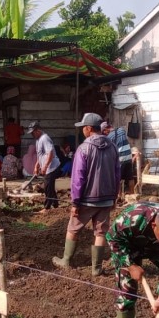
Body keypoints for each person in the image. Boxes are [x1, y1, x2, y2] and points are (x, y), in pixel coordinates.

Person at [52, 113, 120, 276]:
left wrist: (75, 202)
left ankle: (66, 260)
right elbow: (117, 174)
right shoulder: (112, 147)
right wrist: (114, 197)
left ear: (89, 129)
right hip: (105, 199)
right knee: (101, 232)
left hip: (86, 200)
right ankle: (96, 268)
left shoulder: (84, 148)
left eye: (83, 127)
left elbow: (78, 178)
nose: (82, 130)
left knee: (73, 228)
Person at [26, 121, 61, 211]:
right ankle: (55, 204)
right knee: (50, 187)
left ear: (37, 130)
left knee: (47, 187)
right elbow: (40, 155)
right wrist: (36, 165)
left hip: (52, 167)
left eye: (32, 133)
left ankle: (47, 207)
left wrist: (45, 166)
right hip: (48, 167)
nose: (32, 135)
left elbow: (50, 153)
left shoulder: (45, 138)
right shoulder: (38, 140)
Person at [102, 121, 134, 195]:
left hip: (121, 159)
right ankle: (133, 194)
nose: (104, 133)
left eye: (104, 132)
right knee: (130, 177)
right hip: (129, 157)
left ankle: (118, 196)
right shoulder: (121, 130)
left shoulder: (109, 137)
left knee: (117, 178)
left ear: (106, 129)